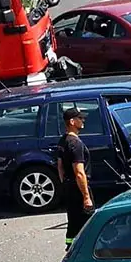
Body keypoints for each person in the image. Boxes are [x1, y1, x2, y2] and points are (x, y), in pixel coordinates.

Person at [56, 106, 94, 250]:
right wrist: (86, 196)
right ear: (72, 121)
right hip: (78, 189)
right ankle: (83, 255)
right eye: (80, 118)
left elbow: (60, 166)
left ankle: (71, 248)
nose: (83, 120)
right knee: (87, 224)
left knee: (73, 222)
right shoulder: (76, 144)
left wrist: (65, 184)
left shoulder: (63, 140)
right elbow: (79, 172)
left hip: (69, 188)